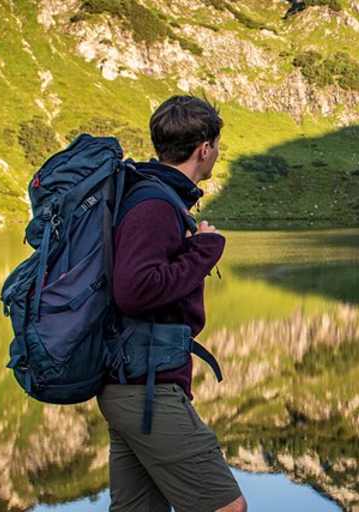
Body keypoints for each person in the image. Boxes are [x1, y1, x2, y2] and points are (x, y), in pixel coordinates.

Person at [97, 95, 246, 512]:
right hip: (147, 390)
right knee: (226, 507)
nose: (217, 153)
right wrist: (204, 251)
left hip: (130, 384)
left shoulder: (154, 196)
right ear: (205, 149)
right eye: (217, 146)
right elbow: (135, 289)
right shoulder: (155, 206)